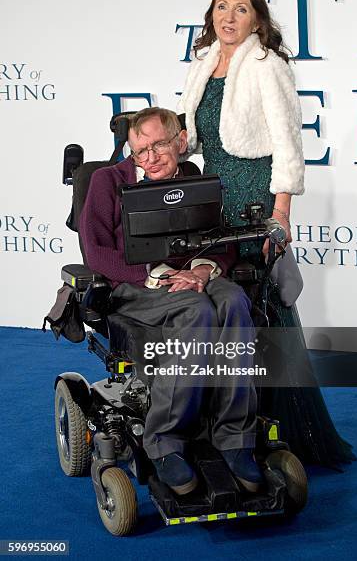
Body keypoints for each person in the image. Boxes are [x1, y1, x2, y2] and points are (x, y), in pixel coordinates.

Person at [178, 0, 356, 468]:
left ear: (257, 19)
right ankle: (227, 423)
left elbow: (287, 143)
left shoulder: (267, 65)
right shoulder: (203, 64)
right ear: (210, 13)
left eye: (240, 9)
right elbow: (196, 136)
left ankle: (293, 431)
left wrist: (281, 213)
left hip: (255, 195)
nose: (229, 17)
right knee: (223, 306)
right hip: (212, 196)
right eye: (221, 7)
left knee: (266, 304)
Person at [80, 107, 264, 495]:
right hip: (136, 284)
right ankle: (164, 441)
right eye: (139, 149)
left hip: (192, 276)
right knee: (194, 309)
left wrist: (202, 269)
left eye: (159, 144)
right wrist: (156, 275)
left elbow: (219, 239)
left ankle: (235, 437)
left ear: (180, 141)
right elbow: (95, 250)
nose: (150, 157)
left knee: (232, 299)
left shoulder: (194, 180)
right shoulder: (105, 181)